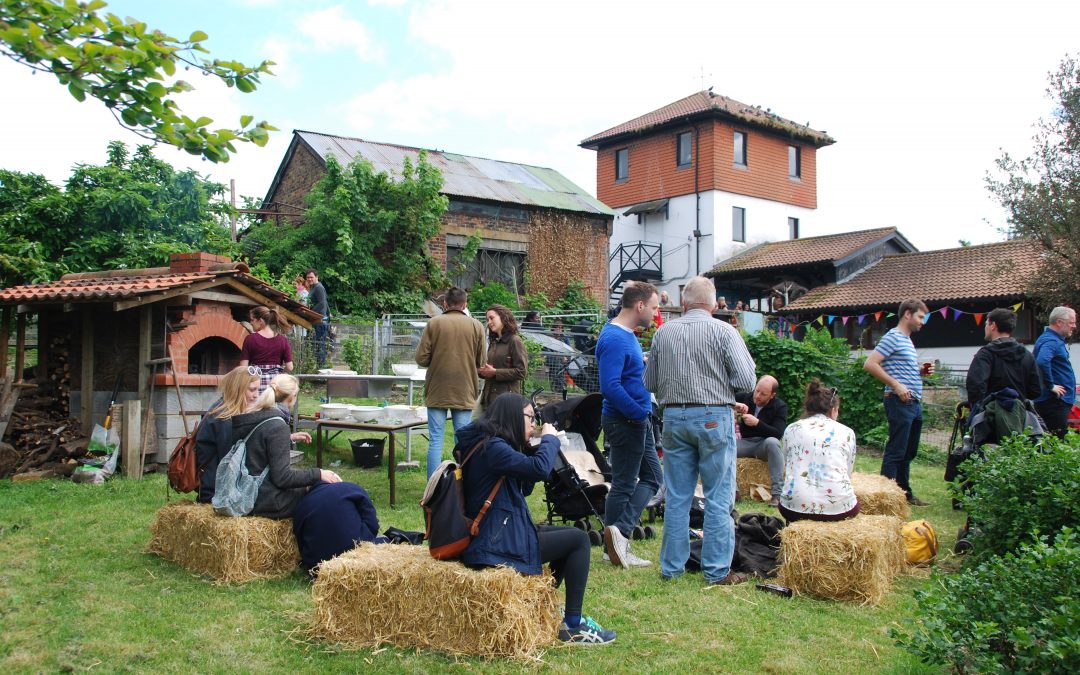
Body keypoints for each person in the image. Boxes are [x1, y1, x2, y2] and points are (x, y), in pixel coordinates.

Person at [456, 392, 616, 645]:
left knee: (568, 539)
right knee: (578, 540)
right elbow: (540, 470)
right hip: (495, 541)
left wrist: (531, 448)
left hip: (501, 530)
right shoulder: (493, 448)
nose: (534, 423)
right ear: (512, 416)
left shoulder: (492, 444)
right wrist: (551, 441)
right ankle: (573, 624)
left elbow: (525, 487)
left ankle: (538, 609)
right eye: (531, 417)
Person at [645, 276, 757, 584]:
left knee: (678, 496)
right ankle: (717, 571)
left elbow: (650, 383)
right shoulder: (724, 331)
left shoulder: (663, 333)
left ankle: (671, 568)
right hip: (713, 416)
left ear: (683, 302)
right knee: (718, 496)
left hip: (674, 418)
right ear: (713, 302)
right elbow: (747, 382)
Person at [596, 281, 662, 569]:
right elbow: (609, 386)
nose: (656, 313)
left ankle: (615, 541)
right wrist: (637, 413)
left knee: (652, 477)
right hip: (627, 419)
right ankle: (618, 538)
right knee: (624, 483)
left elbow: (624, 374)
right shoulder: (614, 338)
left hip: (636, 418)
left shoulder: (627, 335)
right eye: (655, 307)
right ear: (640, 306)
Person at [196, 367, 314, 504]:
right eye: (252, 390)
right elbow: (233, 459)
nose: (256, 395)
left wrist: (285, 438)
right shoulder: (223, 418)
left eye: (258, 389)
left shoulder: (225, 409)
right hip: (217, 492)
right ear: (237, 389)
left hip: (224, 487)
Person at [233, 373, 340, 519]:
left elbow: (258, 447)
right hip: (267, 502)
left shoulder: (253, 415)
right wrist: (319, 474)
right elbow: (283, 478)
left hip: (244, 493)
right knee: (320, 491)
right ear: (292, 397)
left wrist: (287, 439)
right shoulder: (277, 425)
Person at [863, 299, 932, 506]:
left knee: (908, 451)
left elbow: (898, 367)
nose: (923, 322)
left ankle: (903, 494)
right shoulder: (893, 337)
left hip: (913, 403)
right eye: (920, 317)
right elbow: (870, 364)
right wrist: (896, 385)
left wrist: (920, 372)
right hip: (899, 401)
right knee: (897, 450)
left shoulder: (906, 340)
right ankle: (885, 498)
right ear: (908, 314)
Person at [416, 287, 486, 478]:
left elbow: (421, 358)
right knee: (462, 439)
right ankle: (461, 485)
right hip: (464, 389)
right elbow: (481, 362)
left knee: (435, 440)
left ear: (445, 304)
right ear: (465, 305)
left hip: (437, 388)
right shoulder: (477, 326)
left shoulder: (434, 324)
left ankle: (432, 487)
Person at [779, 380, 859, 523]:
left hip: (793, 507)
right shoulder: (847, 432)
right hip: (839, 509)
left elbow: (787, 464)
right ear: (833, 409)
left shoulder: (791, 428)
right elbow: (848, 472)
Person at [292, 481, 386, 576]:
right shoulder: (350, 488)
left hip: (318, 564)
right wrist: (367, 539)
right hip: (356, 550)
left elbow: (300, 541)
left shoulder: (301, 506)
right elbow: (372, 522)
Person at [965, 308, 1042, 409]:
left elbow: (975, 386)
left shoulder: (986, 354)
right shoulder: (1027, 355)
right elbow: (1035, 391)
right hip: (1019, 416)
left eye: (986, 324)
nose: (985, 328)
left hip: (991, 416)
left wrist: (981, 407)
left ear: (993, 325)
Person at [734, 375, 789, 506]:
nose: (757, 396)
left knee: (773, 443)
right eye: (757, 391)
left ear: (772, 395)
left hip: (763, 445)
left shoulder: (780, 406)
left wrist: (757, 423)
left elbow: (778, 433)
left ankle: (777, 494)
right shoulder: (744, 398)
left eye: (763, 394)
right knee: (723, 446)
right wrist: (734, 406)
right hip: (744, 442)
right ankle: (733, 491)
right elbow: (722, 400)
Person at [1033, 306, 1077, 438]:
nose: (1074, 326)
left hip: (1053, 401)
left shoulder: (1049, 339)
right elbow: (1042, 361)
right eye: (1071, 322)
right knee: (1056, 440)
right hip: (1054, 402)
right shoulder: (1052, 341)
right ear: (1059, 322)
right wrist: (1051, 385)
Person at [478, 304, 528, 412]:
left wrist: (495, 372)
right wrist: (481, 371)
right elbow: (491, 371)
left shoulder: (515, 341)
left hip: (507, 403)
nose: (489, 322)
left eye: (492, 318)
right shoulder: (494, 343)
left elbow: (522, 372)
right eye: (487, 319)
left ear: (503, 317)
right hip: (489, 399)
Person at [239, 306, 294, 393]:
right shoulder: (283, 340)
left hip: (257, 387)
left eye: (252, 320)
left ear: (260, 321)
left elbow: (243, 368)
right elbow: (290, 367)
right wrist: (279, 374)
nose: (251, 323)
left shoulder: (250, 339)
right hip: (276, 387)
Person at [305, 269, 330, 367]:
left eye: (311, 277)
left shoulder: (319, 287)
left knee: (319, 346)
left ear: (316, 277)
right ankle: (316, 367)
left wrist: (310, 313)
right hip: (316, 321)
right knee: (315, 346)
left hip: (319, 321)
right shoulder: (313, 287)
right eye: (307, 277)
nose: (309, 279)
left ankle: (321, 369)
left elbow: (321, 303)